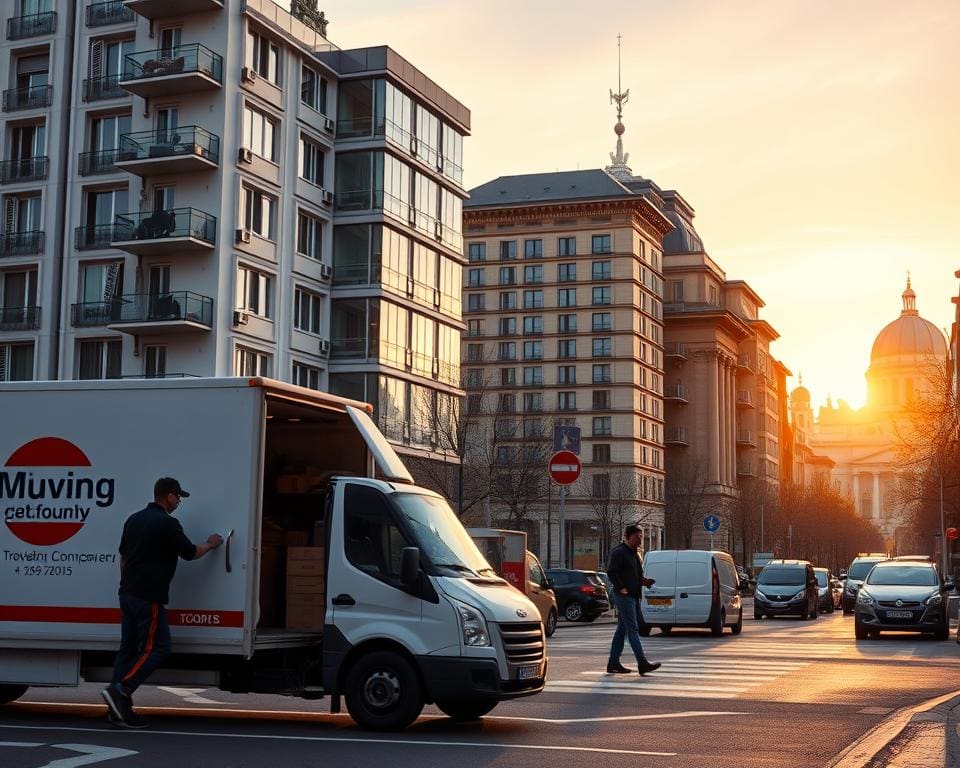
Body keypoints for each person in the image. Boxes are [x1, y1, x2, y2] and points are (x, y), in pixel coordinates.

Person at [101, 477, 223, 728]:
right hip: (149, 596)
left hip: (128, 593)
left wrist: (128, 585)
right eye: (178, 497)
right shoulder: (168, 524)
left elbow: (123, 558)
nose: (179, 502)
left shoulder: (133, 519)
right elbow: (190, 553)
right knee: (159, 647)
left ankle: (117, 710)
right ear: (169, 496)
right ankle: (121, 690)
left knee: (128, 648)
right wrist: (211, 545)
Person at [606, 524, 661, 675]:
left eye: (641, 537)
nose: (640, 540)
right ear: (628, 536)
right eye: (638, 537)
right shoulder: (619, 552)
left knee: (621, 631)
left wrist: (645, 582)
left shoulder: (634, 554)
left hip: (634, 595)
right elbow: (611, 572)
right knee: (633, 629)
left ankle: (613, 663)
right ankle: (642, 663)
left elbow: (636, 575)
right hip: (624, 596)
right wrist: (621, 587)